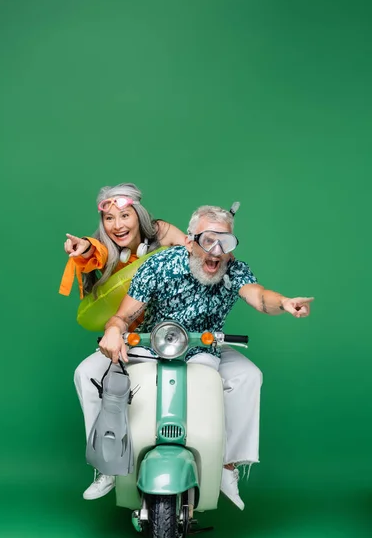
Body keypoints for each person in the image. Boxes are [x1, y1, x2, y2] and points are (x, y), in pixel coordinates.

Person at [99, 205, 313, 509]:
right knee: (112, 381)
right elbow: (124, 314)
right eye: (208, 240)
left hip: (205, 349)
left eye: (224, 242)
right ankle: (109, 463)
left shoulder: (234, 270)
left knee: (248, 376)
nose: (216, 251)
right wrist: (113, 329)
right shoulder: (160, 265)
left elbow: (260, 296)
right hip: (152, 345)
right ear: (189, 240)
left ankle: (227, 467)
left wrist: (285, 303)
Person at [60, 183, 186, 499]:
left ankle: (222, 465)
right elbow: (93, 251)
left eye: (125, 215)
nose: (118, 225)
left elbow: (193, 253)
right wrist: (83, 248)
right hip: (125, 340)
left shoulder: (160, 233)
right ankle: (106, 463)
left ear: (138, 215)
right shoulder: (106, 251)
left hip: (169, 335)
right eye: (110, 219)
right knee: (86, 373)